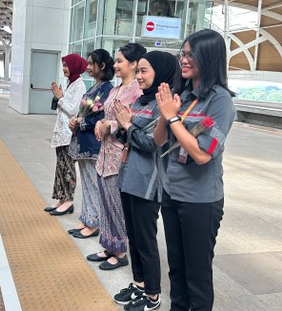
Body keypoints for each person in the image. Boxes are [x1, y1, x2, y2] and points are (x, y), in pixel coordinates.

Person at [153, 29, 236, 311]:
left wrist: (172, 116)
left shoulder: (220, 101)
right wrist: (166, 115)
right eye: (183, 54)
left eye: (191, 55)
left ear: (208, 57)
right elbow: (159, 140)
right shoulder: (184, 95)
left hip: (201, 201)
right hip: (172, 193)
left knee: (197, 274)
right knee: (176, 269)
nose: (184, 61)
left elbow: (202, 154)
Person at [112, 51, 178, 311]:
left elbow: (151, 144)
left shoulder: (164, 104)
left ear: (160, 72)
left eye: (144, 71)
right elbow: (126, 136)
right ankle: (139, 283)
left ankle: (152, 294)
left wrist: (128, 126)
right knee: (133, 236)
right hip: (128, 177)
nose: (138, 76)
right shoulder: (141, 101)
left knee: (146, 239)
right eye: (137, 71)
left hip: (148, 182)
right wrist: (121, 126)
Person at [88, 43, 146, 270]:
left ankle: (121, 251)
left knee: (116, 205)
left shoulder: (136, 91)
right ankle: (109, 245)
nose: (115, 65)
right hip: (104, 154)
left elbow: (133, 120)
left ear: (133, 64)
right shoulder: (115, 90)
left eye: (120, 61)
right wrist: (101, 123)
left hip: (119, 156)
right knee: (105, 202)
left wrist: (108, 125)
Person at [66, 49, 114, 235]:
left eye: (91, 63)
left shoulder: (107, 90)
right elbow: (85, 112)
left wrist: (82, 121)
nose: (87, 67)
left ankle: (94, 223)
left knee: (94, 184)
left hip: (94, 144)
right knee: (87, 184)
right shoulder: (94, 87)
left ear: (102, 66)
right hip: (84, 142)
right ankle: (87, 218)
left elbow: (102, 117)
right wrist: (76, 120)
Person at [44, 53, 87, 215]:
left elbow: (74, 110)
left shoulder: (80, 86)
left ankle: (68, 201)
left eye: (66, 65)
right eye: (63, 65)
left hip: (70, 134)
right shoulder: (71, 84)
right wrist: (60, 97)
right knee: (60, 167)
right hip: (61, 133)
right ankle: (61, 199)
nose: (64, 69)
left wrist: (60, 97)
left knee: (68, 168)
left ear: (75, 66)